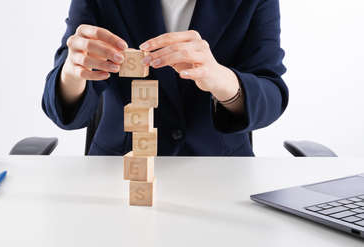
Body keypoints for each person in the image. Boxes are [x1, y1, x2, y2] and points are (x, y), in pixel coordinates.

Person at [42, 0, 288, 156]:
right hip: (119, 164)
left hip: (220, 168)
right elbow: (64, 112)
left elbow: (271, 93)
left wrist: (221, 79)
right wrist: (73, 73)